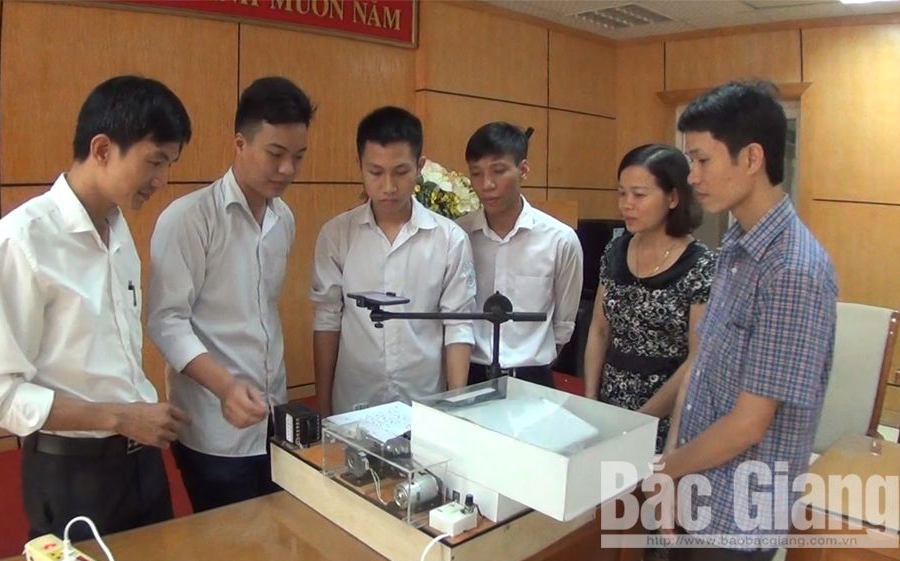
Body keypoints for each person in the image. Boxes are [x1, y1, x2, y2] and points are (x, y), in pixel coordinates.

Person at [0, 75, 193, 539]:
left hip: (142, 460)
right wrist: (118, 416)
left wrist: (135, 419)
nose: (161, 180)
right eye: (154, 161)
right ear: (102, 149)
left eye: (169, 164)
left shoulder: (118, 230)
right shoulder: (19, 243)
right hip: (73, 474)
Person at [654, 80, 837, 561]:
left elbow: (749, 424)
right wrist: (673, 470)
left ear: (752, 158)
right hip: (696, 487)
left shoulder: (792, 269)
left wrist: (667, 472)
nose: (692, 176)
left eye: (702, 160)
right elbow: (701, 366)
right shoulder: (737, 245)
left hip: (738, 515)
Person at [146, 76, 314, 512]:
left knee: (281, 532)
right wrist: (225, 386)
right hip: (212, 425)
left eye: (298, 157)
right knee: (226, 539)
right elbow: (166, 320)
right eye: (275, 154)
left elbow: (263, 312)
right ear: (240, 143)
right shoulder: (188, 219)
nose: (287, 169)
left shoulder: (284, 219)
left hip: (272, 415)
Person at [311, 106, 476, 416]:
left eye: (400, 172)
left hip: (424, 400)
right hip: (354, 400)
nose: (388, 186)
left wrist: (457, 409)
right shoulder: (337, 234)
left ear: (420, 166)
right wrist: (323, 407)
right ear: (359, 165)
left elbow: (458, 324)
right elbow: (327, 319)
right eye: (375, 172)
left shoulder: (449, 239)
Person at [583, 144, 716, 454]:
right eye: (622, 193)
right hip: (611, 406)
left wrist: (640, 421)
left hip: (669, 412)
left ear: (673, 198)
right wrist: (590, 400)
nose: (627, 205)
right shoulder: (615, 251)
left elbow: (697, 357)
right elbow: (599, 329)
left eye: (639, 195)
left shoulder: (701, 265)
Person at [457, 122, 583, 388]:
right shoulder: (459, 236)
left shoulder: (560, 239)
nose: (487, 184)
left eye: (498, 171)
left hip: (532, 377)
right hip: (471, 372)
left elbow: (563, 325)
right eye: (476, 174)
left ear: (523, 170)